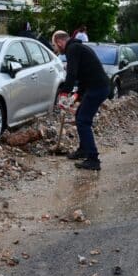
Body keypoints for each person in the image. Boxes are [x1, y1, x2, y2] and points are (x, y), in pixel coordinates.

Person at [52, 30, 110, 171]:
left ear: (60, 42)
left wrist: (64, 93)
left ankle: (93, 159)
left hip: (97, 88)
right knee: (80, 116)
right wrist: (77, 95)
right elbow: (84, 74)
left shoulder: (73, 49)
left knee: (83, 120)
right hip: (97, 87)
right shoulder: (78, 48)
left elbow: (72, 74)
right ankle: (84, 149)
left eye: (54, 45)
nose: (55, 48)